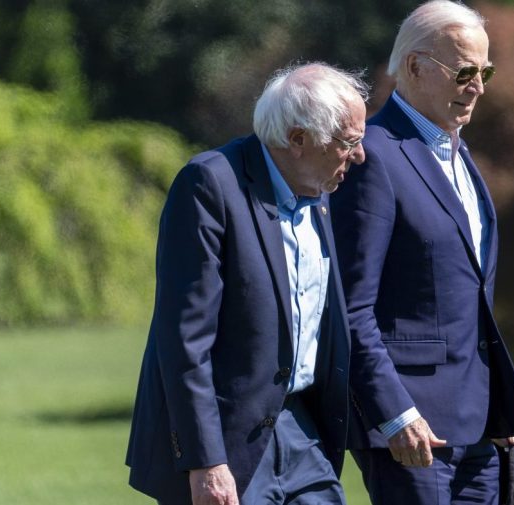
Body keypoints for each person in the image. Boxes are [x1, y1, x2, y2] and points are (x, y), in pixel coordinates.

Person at [330, 1, 514, 504]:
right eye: (465, 72)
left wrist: (499, 401)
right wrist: (394, 414)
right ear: (414, 67)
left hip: (478, 426)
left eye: (485, 71)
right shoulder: (373, 156)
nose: (479, 87)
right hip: (411, 432)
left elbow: (466, 297)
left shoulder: (459, 153)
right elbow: (351, 307)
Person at [126, 62, 368, 505]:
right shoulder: (210, 184)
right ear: (298, 140)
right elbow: (184, 340)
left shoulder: (320, 190)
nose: (359, 156)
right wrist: (205, 461)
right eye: (349, 142)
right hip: (226, 444)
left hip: (302, 433)